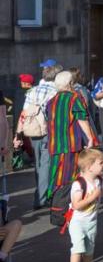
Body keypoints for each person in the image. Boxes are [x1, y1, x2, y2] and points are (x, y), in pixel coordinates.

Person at [43, 70, 96, 202]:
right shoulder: (74, 98)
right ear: (70, 83)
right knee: (69, 176)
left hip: (55, 145)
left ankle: (55, 200)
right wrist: (90, 138)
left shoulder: (51, 101)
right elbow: (82, 119)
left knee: (56, 174)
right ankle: (67, 205)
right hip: (70, 145)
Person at [64, 148, 103, 262]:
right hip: (77, 221)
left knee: (89, 247)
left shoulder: (98, 180)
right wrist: (92, 197)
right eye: (101, 163)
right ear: (90, 167)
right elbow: (77, 205)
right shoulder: (78, 184)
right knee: (78, 247)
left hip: (91, 220)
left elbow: (102, 193)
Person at [20, 61, 61, 209]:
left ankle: (40, 194)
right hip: (48, 130)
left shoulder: (33, 90)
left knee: (38, 164)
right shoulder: (55, 92)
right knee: (46, 164)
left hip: (33, 130)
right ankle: (42, 198)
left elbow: (25, 112)